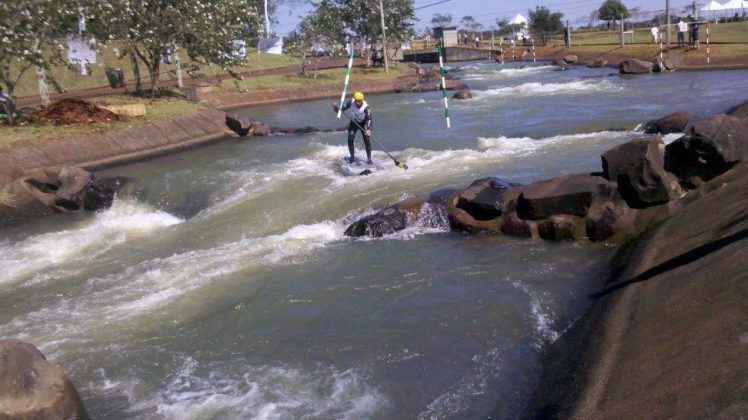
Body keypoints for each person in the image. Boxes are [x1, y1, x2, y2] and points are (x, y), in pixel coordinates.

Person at [332, 91, 373, 164]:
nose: (357, 103)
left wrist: (369, 129)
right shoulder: (350, 103)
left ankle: (369, 159)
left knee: (366, 140)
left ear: (362, 100)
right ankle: (352, 157)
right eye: (356, 101)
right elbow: (339, 111)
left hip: (364, 123)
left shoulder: (366, 107)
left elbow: (369, 119)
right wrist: (335, 107)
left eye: (359, 101)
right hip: (354, 122)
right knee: (350, 139)